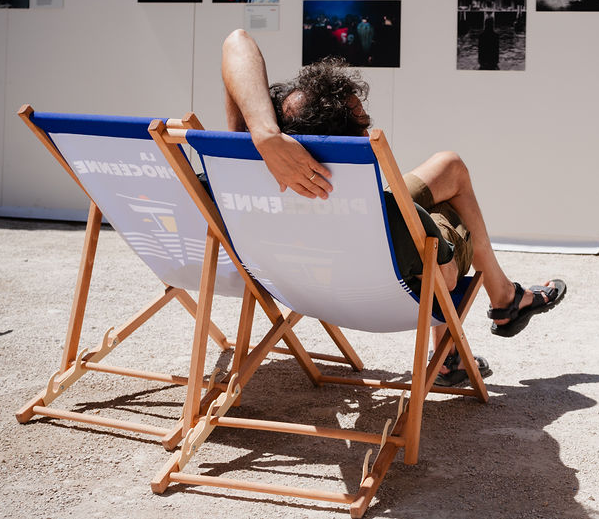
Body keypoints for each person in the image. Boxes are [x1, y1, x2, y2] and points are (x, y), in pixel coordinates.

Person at [220, 29, 566, 386]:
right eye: (362, 122)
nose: (366, 118)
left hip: (305, 273)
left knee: (449, 165)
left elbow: (236, 40)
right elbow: (445, 280)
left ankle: (503, 297)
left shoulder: (249, 165)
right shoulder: (399, 219)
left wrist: (264, 135)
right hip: (371, 265)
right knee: (451, 200)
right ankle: (487, 316)